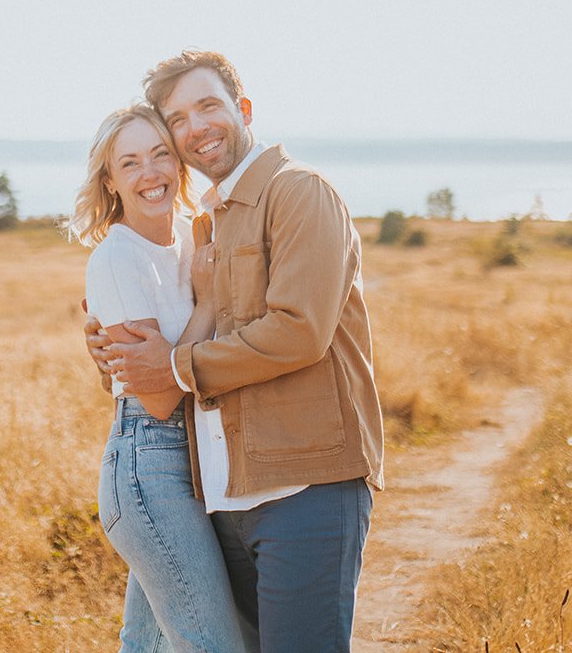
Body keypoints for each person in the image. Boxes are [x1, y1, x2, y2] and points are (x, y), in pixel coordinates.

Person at [90, 50, 385, 653]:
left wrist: (172, 365)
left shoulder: (299, 191)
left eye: (208, 106)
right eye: (179, 118)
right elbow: (161, 351)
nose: (196, 126)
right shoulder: (205, 226)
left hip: (307, 488)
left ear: (242, 109)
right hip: (222, 495)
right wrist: (112, 353)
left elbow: (300, 330)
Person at [71, 103, 250, 653]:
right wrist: (208, 299)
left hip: (202, 458)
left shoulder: (194, 236)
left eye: (159, 156)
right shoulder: (115, 259)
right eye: (130, 164)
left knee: (146, 646)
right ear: (111, 180)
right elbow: (156, 396)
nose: (150, 174)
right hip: (151, 468)